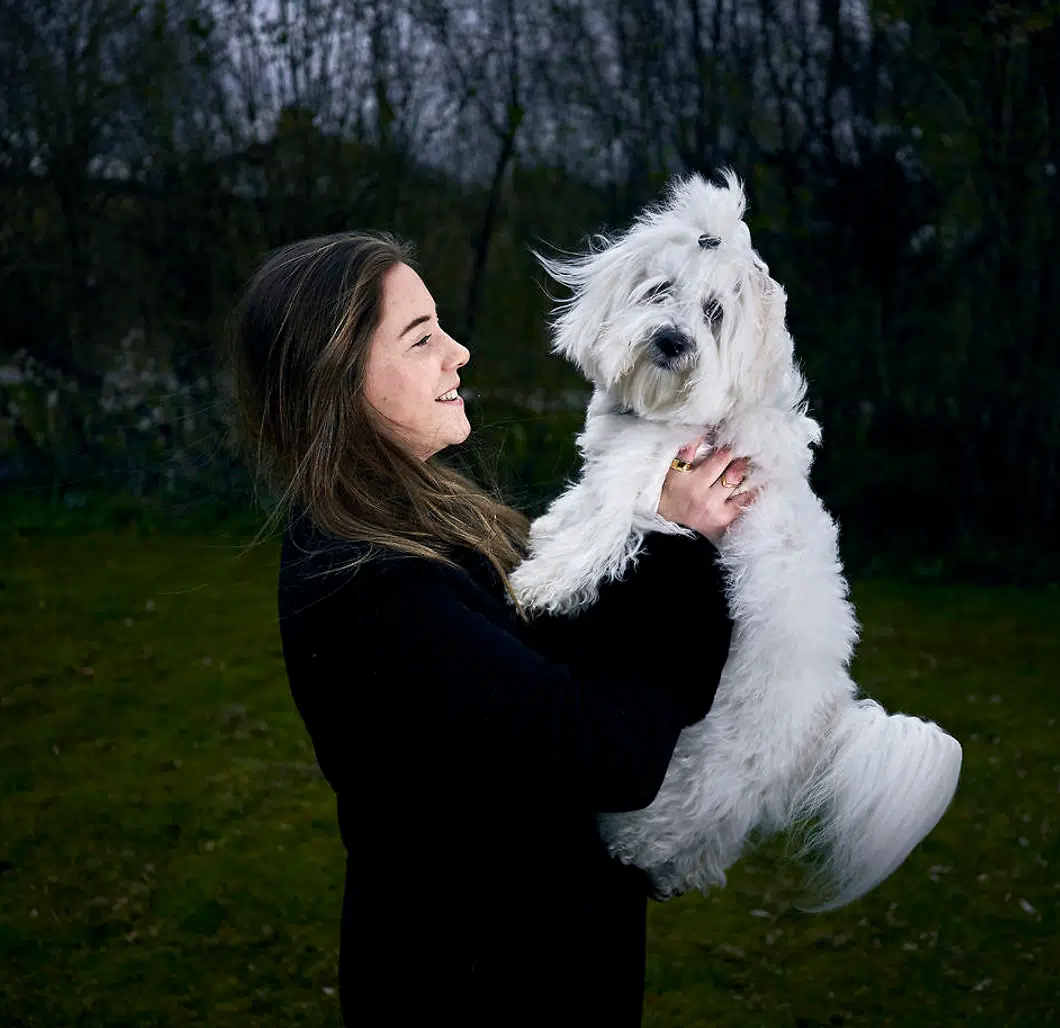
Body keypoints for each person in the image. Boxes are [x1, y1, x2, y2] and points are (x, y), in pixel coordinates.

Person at [220, 231, 759, 1026]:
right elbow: (605, 752)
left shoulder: (414, 522)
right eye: (421, 338)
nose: (458, 353)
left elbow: (552, 658)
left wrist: (653, 527)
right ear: (338, 379)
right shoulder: (372, 586)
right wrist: (676, 547)